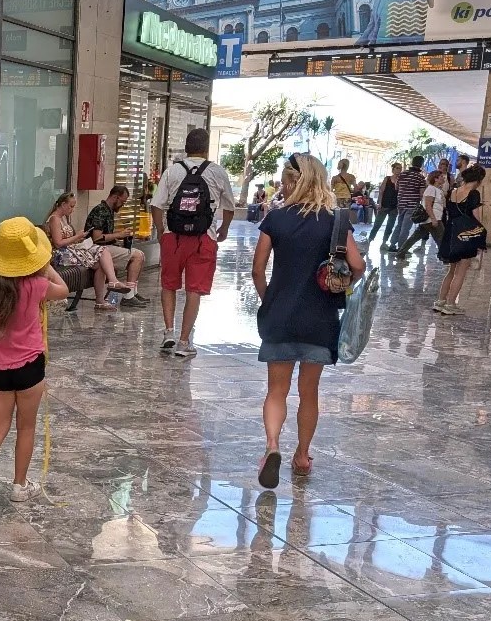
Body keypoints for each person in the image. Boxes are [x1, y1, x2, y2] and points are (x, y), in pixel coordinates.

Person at [252, 153, 364, 488]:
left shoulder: (276, 219)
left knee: (276, 390)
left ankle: (272, 446)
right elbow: (357, 266)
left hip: (280, 315)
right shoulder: (335, 222)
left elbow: (258, 270)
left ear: (293, 182)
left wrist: (269, 299)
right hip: (320, 317)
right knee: (309, 391)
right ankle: (302, 455)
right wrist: (339, 287)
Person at [0, 217, 71, 516]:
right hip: (31, 366)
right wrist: (45, 267)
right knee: (26, 426)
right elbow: (64, 289)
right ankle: (19, 486)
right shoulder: (37, 285)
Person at [151, 128, 237, 359]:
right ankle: (183, 341)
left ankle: (169, 331)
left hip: (174, 237)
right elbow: (229, 207)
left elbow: (156, 205)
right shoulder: (217, 172)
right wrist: (224, 228)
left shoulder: (173, 171)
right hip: (203, 238)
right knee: (194, 290)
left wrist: (161, 231)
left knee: (168, 284)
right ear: (206, 148)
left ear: (186, 147)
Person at [43, 191, 133, 312]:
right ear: (63, 204)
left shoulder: (63, 218)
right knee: (102, 250)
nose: (72, 209)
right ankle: (113, 281)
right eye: (71, 206)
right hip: (61, 255)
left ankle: (100, 300)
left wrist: (79, 238)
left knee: (101, 263)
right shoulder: (55, 219)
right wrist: (76, 237)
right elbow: (58, 243)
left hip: (70, 250)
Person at [434, 164, 486, 315]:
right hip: (466, 234)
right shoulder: (474, 193)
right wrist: (481, 232)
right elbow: (476, 217)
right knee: (461, 271)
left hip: (451, 232)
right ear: (479, 180)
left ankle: (441, 301)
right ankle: (450, 305)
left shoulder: (453, 191)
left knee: (451, 270)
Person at [83, 185, 145, 292]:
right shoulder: (101, 211)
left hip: (105, 247)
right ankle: (129, 296)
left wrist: (119, 238)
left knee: (141, 255)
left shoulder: (109, 210)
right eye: (122, 202)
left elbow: (106, 235)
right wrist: (119, 235)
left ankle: (133, 291)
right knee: (137, 256)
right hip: (96, 248)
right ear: (115, 197)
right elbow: (96, 238)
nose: (122, 205)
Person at [396, 170, 447, 257]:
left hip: (429, 219)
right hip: (432, 218)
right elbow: (428, 205)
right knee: (441, 238)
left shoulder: (437, 190)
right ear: (435, 179)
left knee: (415, 237)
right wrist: (434, 219)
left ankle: (401, 253)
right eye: (441, 177)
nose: (443, 178)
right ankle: (444, 256)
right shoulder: (431, 189)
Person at [385, 155, 427, 254]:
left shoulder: (402, 174)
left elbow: (396, 188)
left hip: (401, 203)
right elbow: (422, 193)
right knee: (406, 227)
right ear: (421, 164)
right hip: (412, 204)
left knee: (399, 224)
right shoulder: (420, 177)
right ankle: (402, 247)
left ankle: (392, 244)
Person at [375, 162, 401, 246]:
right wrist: (379, 203)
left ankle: (384, 242)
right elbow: (381, 191)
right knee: (377, 224)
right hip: (384, 205)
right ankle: (370, 239)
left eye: (400, 168)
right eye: (397, 168)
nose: (399, 170)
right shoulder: (387, 179)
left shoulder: (400, 181)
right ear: (393, 169)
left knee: (390, 226)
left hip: (394, 206)